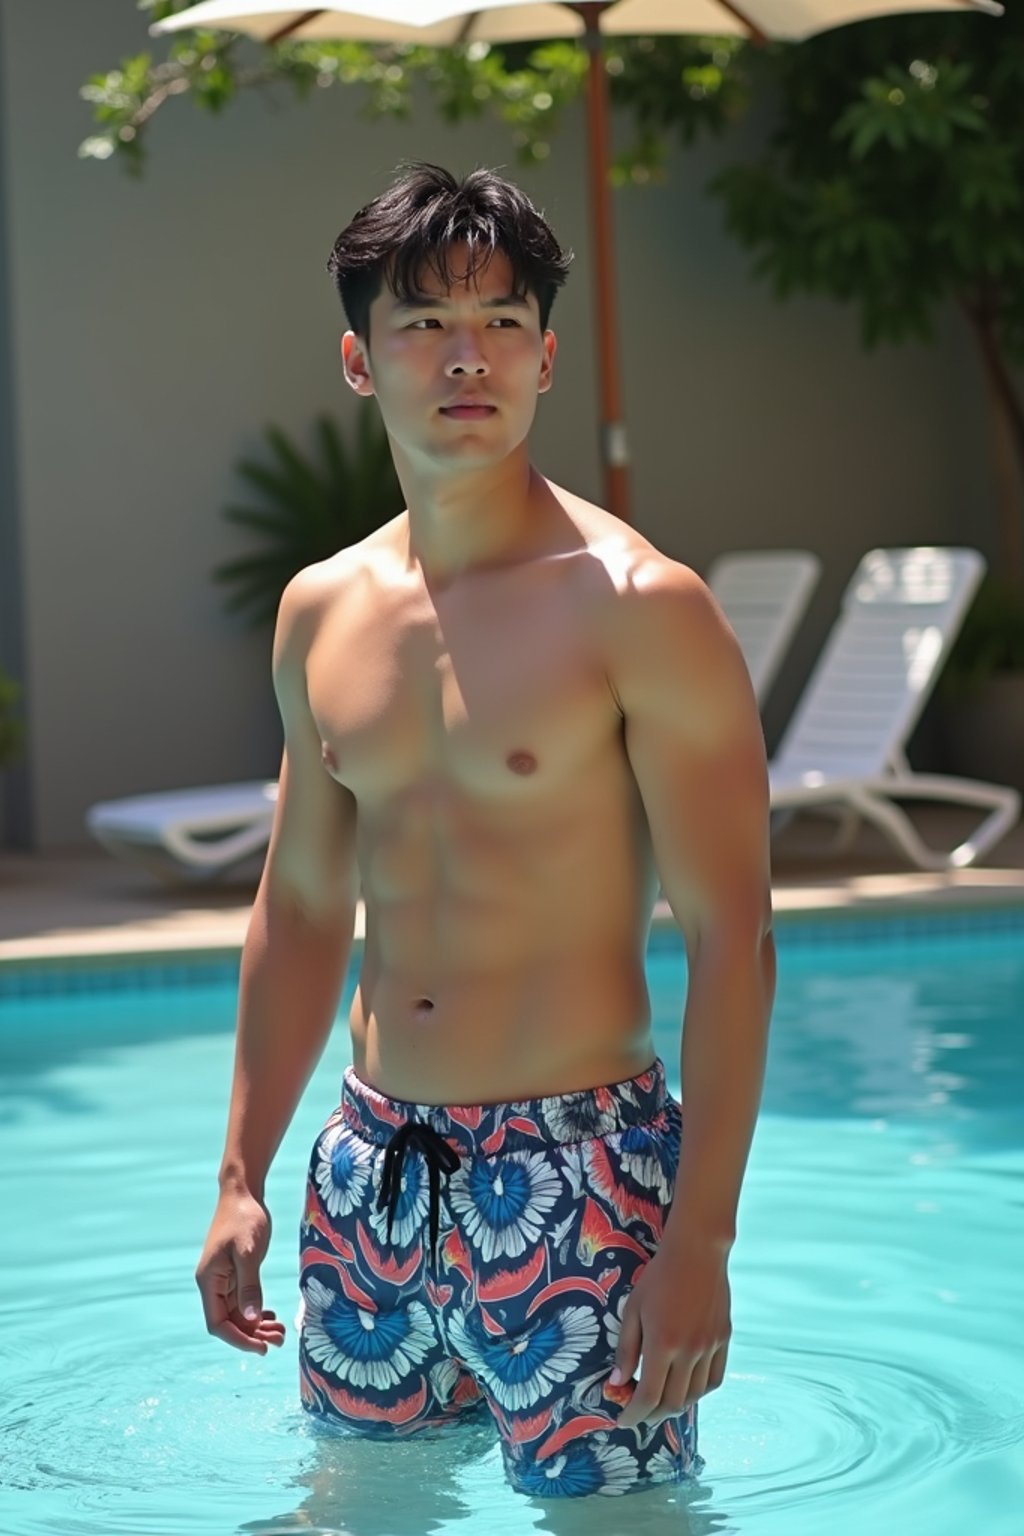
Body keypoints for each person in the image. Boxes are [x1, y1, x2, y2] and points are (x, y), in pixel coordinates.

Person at [194, 161, 776, 1502]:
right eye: (424, 325)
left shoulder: (641, 606)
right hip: (370, 1176)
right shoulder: (321, 613)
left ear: (547, 356)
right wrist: (241, 1174)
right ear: (360, 358)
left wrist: (701, 1243)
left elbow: (733, 937)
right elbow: (297, 911)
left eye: (504, 323)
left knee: (623, 1528)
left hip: (586, 1181)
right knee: (355, 1510)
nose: (469, 359)